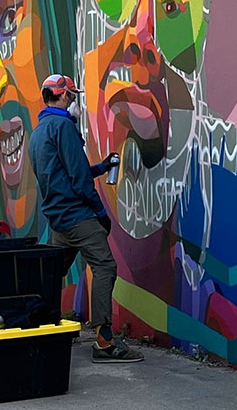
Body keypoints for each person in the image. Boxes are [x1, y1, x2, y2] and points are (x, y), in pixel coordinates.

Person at [29, 73, 144, 363]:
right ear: (63, 95)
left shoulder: (40, 131)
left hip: (58, 219)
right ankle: (105, 342)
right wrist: (101, 213)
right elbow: (79, 179)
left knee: (51, 275)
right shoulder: (63, 127)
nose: (74, 101)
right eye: (72, 96)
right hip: (77, 216)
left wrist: (101, 168)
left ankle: (42, 329)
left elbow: (65, 171)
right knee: (105, 266)